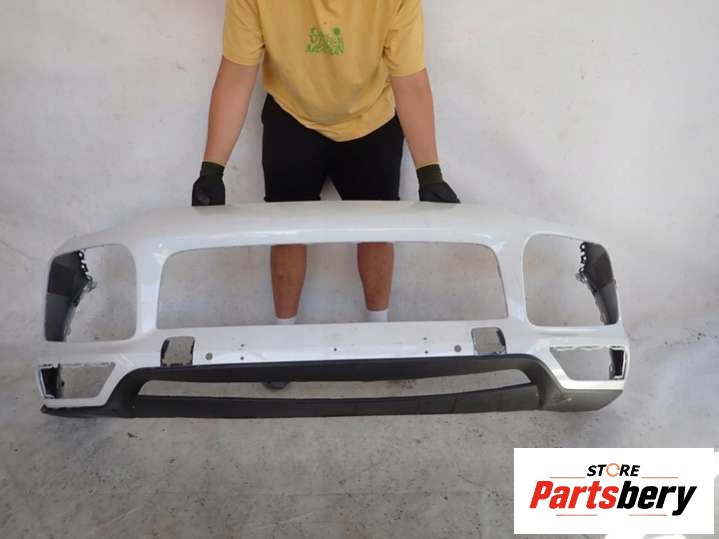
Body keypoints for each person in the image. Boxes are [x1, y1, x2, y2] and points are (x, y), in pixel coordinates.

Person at [192, 0, 460, 328]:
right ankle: (284, 335)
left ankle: (378, 330)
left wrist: (430, 174)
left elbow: (411, 82)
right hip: (292, 115)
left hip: (371, 118)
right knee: (287, 229)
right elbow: (236, 75)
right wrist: (212, 170)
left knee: (377, 229)